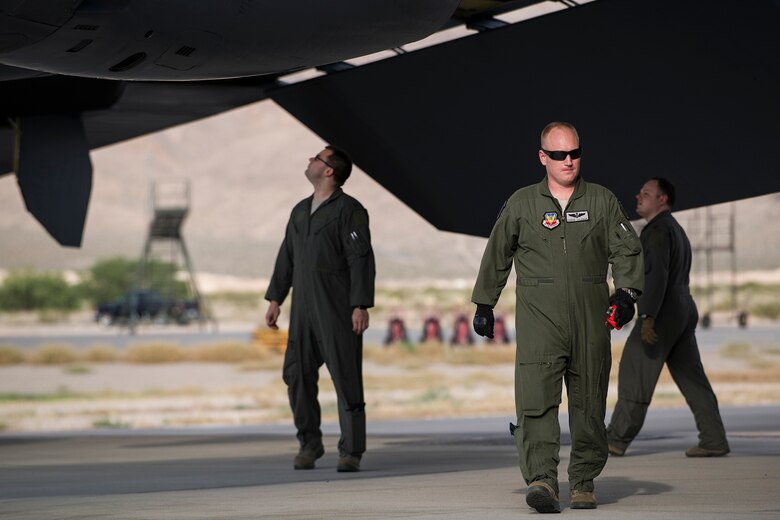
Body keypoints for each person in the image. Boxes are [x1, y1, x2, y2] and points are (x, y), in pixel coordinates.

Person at [471, 122, 644, 513]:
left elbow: (626, 250)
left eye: (575, 153)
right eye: (560, 155)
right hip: (538, 320)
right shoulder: (522, 203)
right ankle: (542, 481)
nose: (569, 161)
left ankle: (583, 481)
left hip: (591, 317)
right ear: (542, 157)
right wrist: (485, 303)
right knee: (535, 403)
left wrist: (628, 293)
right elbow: (497, 252)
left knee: (589, 403)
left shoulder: (601, 200)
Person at [265, 145, 376, 473]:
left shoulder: (349, 211)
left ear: (329, 171)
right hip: (302, 310)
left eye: (317, 157)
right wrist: (275, 299)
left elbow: (361, 258)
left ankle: (351, 451)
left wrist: (360, 304)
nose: (310, 160)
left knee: (346, 378)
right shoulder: (300, 211)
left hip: (337, 308)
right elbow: (287, 255)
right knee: (296, 374)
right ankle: (309, 444)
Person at [607, 178, 730, 458]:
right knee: (692, 378)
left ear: (662, 200)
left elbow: (656, 275)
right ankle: (714, 438)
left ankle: (616, 438)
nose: (639, 196)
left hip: (662, 310)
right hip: (682, 307)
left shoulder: (658, 231)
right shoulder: (674, 228)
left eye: (647, 194)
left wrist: (648, 315)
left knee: (635, 371)